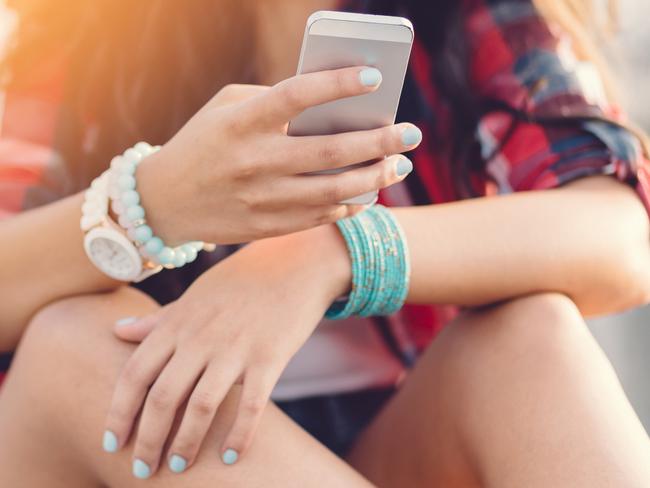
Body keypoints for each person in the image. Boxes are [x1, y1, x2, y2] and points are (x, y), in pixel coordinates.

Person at [1, 0, 649, 485]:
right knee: (74, 343)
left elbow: (620, 235)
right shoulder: (84, 30)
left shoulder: (462, 17)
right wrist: (155, 204)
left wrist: (334, 253)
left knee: (531, 337)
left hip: (393, 432)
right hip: (132, 448)